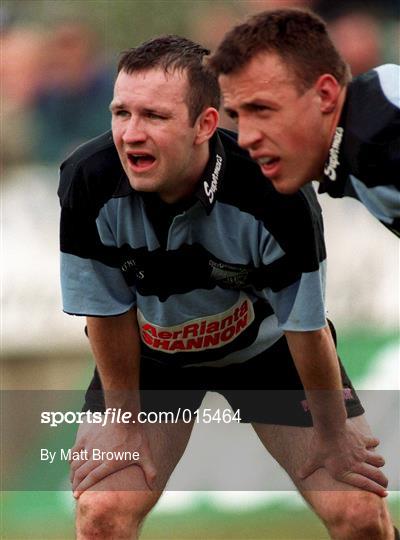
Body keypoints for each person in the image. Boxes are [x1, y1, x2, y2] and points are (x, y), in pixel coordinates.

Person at [58, 36, 395, 540]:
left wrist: (331, 432)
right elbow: (105, 315)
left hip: (271, 354)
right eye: (120, 112)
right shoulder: (88, 178)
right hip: (152, 362)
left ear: (205, 125)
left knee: (360, 515)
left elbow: (306, 328)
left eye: (153, 116)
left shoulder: (275, 190)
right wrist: (122, 421)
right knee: (103, 512)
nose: (130, 134)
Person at [209, 8, 400, 237]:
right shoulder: (357, 147)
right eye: (237, 117)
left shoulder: (378, 135)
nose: (246, 138)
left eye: (261, 109)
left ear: (325, 94)